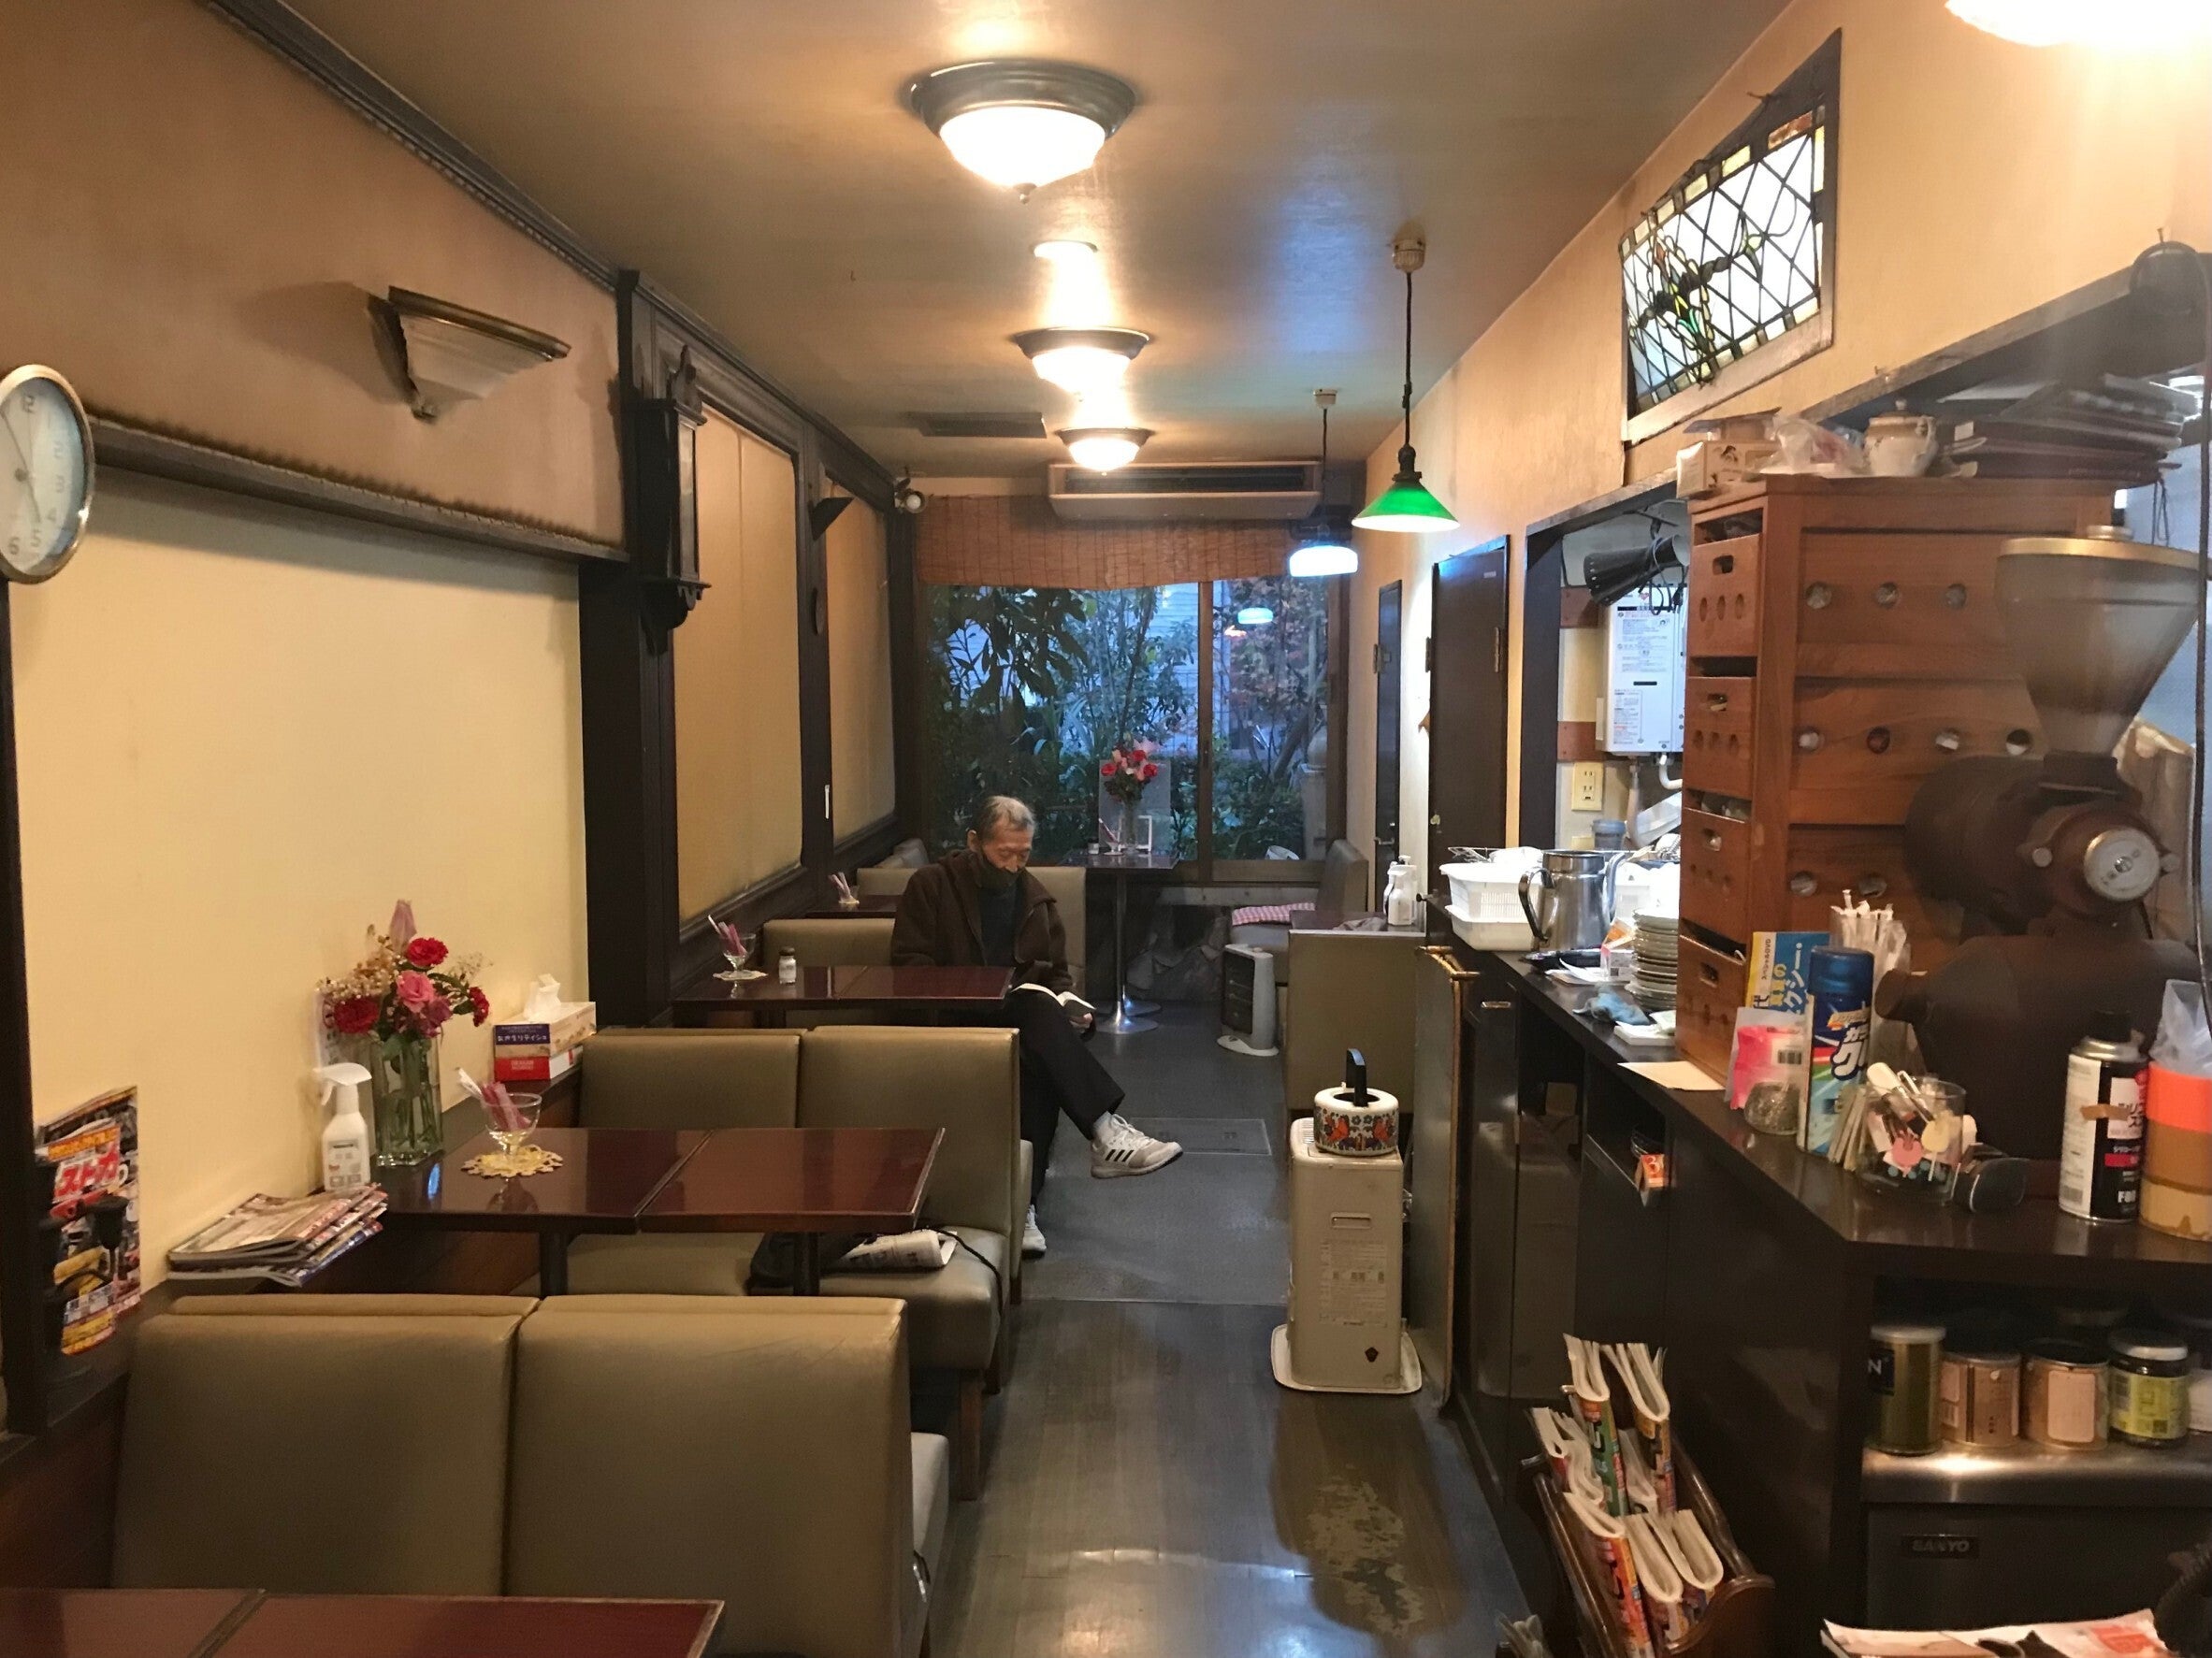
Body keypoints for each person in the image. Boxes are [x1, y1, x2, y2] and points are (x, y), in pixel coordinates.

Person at [891, 795, 1179, 1257]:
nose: (1013, 866)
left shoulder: (1035, 900)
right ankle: (1103, 1131)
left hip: (1017, 1019)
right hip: (946, 1017)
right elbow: (908, 966)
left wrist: (1071, 1006)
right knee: (1033, 1016)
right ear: (974, 842)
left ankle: (1024, 1203)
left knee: (1036, 1048)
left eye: (1023, 855)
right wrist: (981, 987)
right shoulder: (932, 886)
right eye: (1003, 853)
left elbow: (1057, 976)